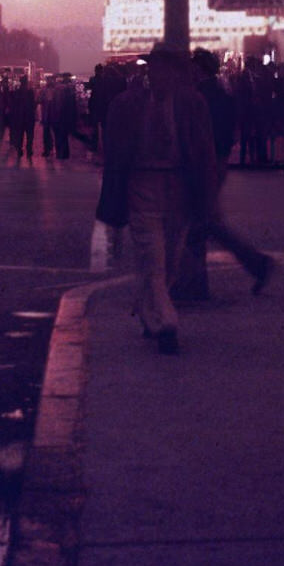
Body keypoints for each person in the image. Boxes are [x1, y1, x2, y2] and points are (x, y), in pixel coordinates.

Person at [95, 44, 218, 355]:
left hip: (180, 188)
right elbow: (114, 156)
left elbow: (205, 151)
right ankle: (166, 322)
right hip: (142, 185)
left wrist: (206, 197)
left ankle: (148, 307)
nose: (157, 74)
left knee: (171, 259)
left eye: (164, 68)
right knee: (153, 258)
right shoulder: (127, 104)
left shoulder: (192, 104)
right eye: (153, 67)